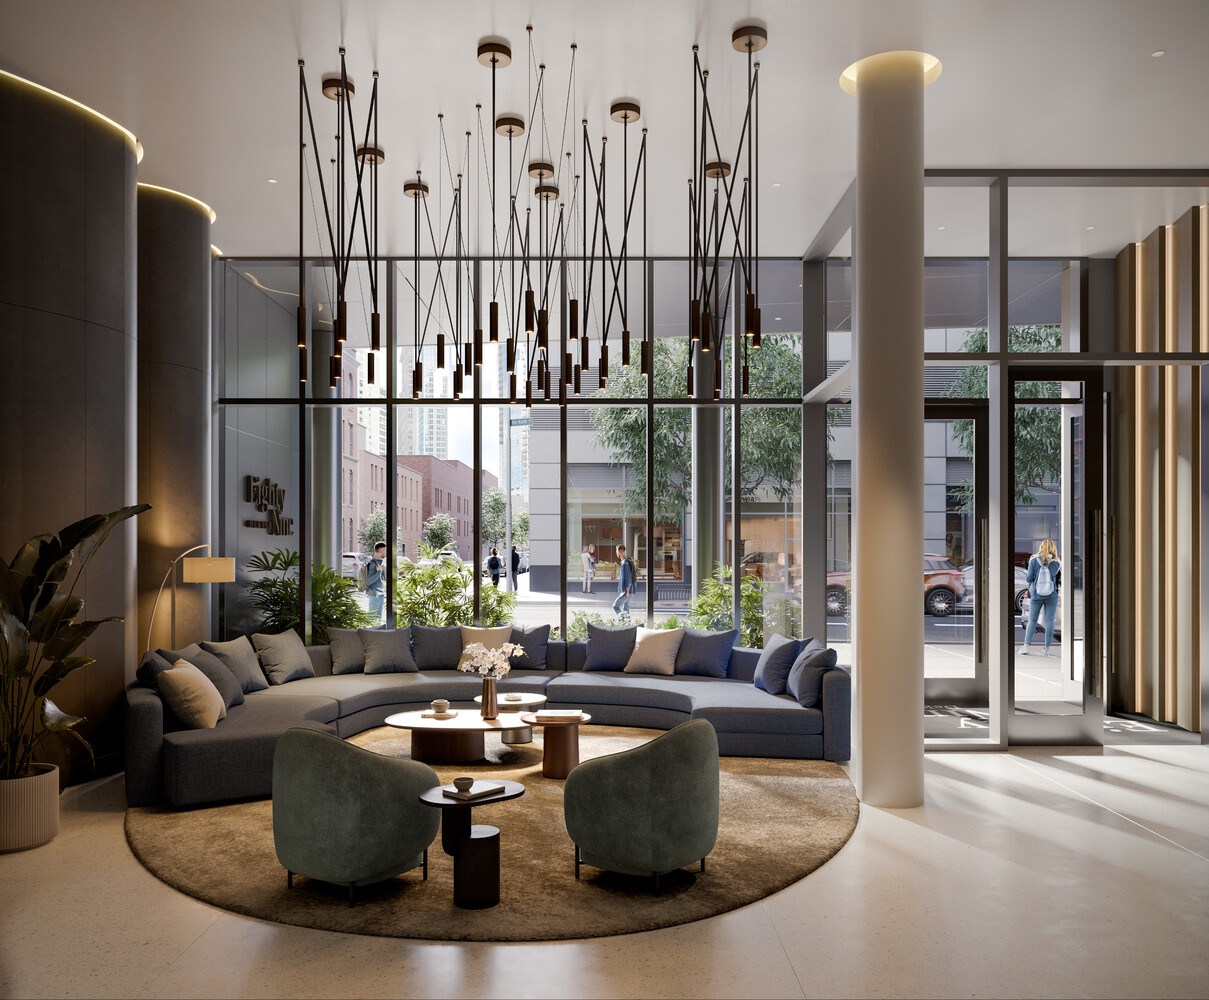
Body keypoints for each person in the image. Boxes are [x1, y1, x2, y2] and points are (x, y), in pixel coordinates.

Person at [1019, 538, 1061, 656]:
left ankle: (1026, 646)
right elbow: (1058, 580)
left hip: (1037, 594)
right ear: (1053, 548)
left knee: (1032, 620)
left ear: (1041, 547)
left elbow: (1028, 579)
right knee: (1049, 621)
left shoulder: (1034, 560)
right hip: (1051, 595)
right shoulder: (1057, 563)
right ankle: (1046, 649)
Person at [366, 541, 387, 622]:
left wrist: (383, 572)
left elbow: (380, 579)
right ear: (381, 550)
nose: (385, 553)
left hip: (380, 594)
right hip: (374, 594)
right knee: (372, 619)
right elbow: (368, 581)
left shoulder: (380, 563)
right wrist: (379, 572)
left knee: (378, 619)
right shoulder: (372, 564)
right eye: (385, 550)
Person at [612, 544, 635, 617]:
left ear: (618, 552)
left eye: (616, 551)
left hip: (627, 591)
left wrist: (627, 591)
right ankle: (626, 622)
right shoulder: (626, 561)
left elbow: (628, 578)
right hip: (630, 590)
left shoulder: (625, 563)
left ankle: (622, 620)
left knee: (615, 606)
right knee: (626, 609)